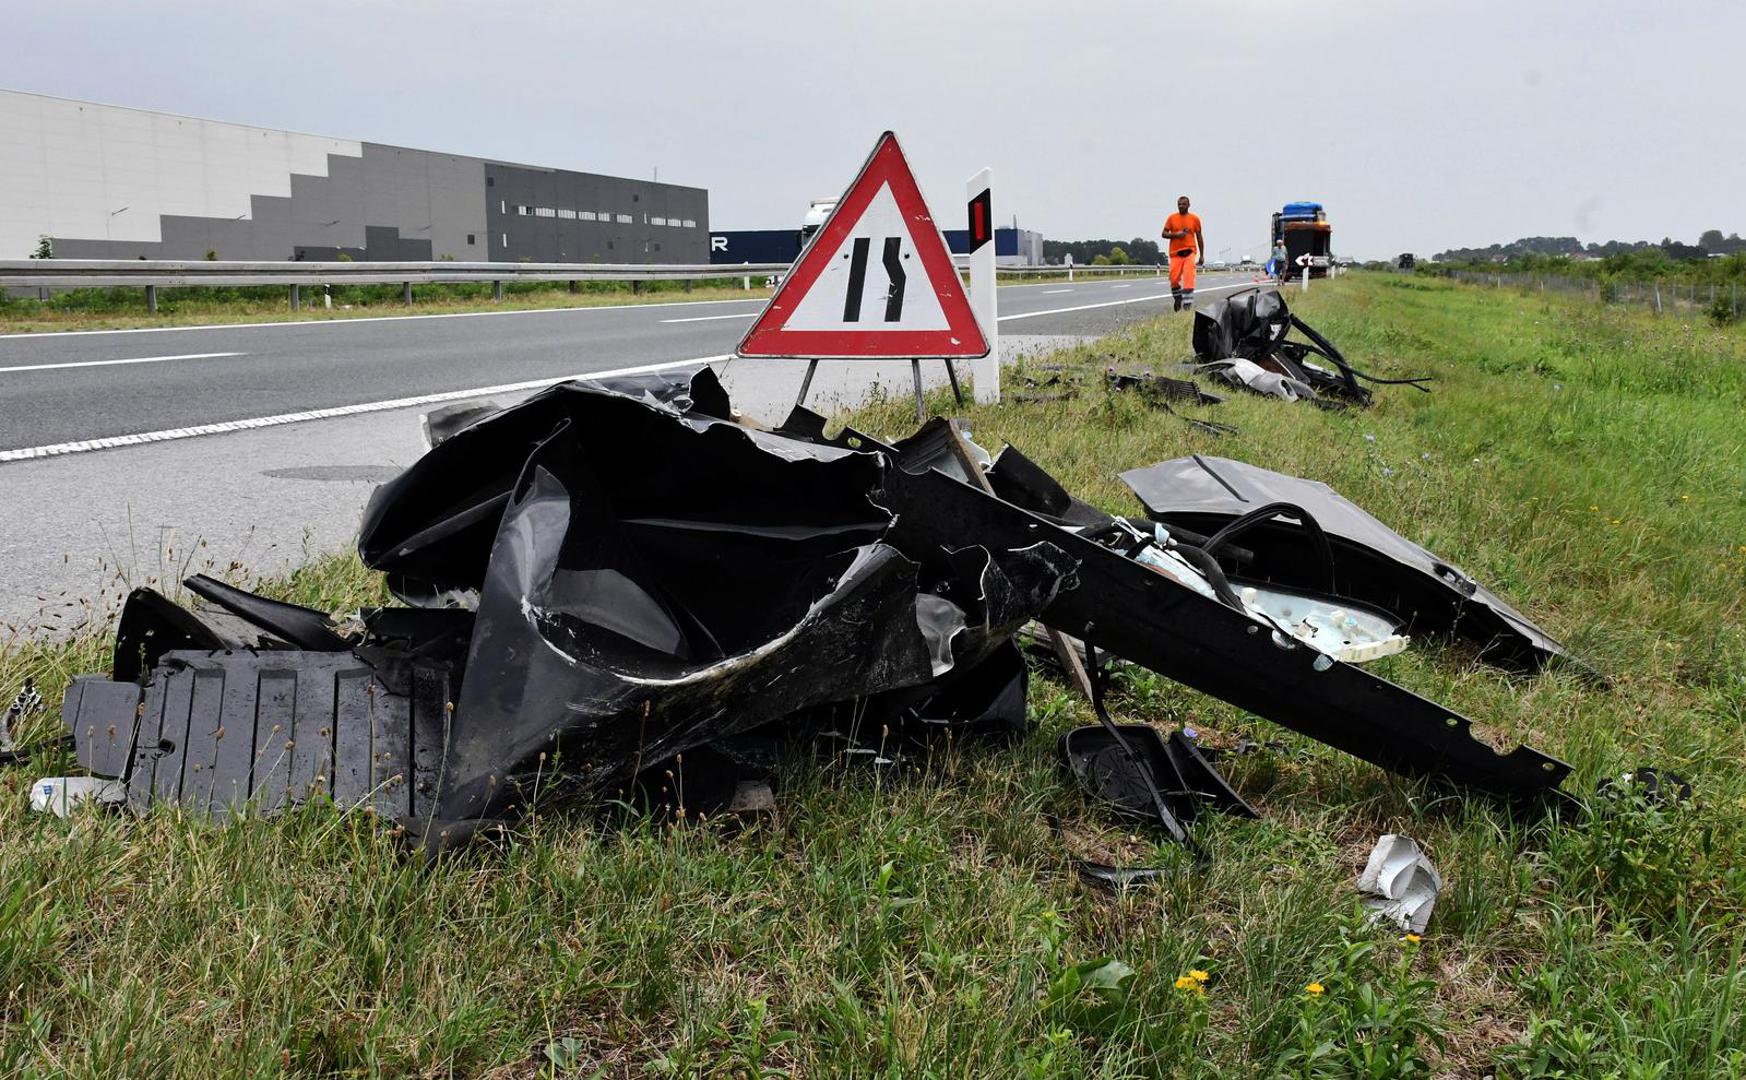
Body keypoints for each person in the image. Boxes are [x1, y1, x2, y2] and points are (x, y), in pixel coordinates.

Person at [1160, 195, 1205, 311]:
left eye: (1184, 204)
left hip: (1190, 252)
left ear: (1189, 205)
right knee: (1174, 279)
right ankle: (1178, 298)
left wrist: (1201, 255)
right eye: (1179, 204)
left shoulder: (1195, 219)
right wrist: (1177, 235)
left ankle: (1187, 305)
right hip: (1175, 253)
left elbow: (1199, 237)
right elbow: (1164, 234)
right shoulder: (1172, 218)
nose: (1181, 206)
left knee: (1189, 278)